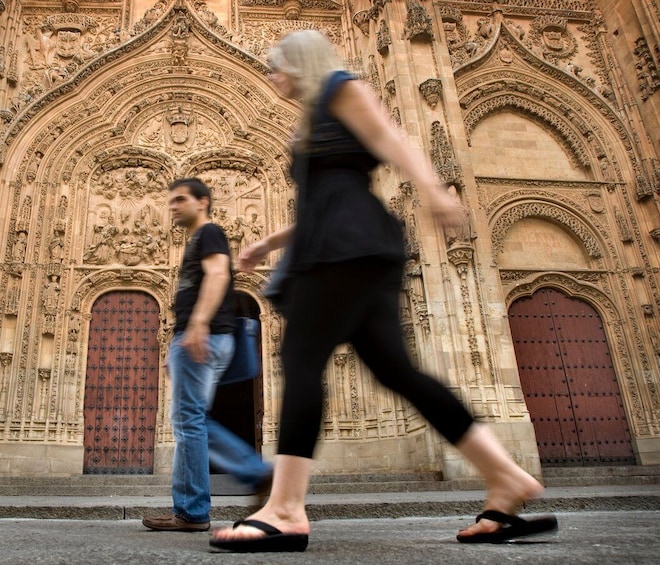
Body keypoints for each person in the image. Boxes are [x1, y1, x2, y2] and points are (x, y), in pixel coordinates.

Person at [209, 30, 557, 552]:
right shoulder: (318, 115)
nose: (270, 75)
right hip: (353, 244)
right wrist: (270, 241)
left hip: (346, 248)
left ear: (301, 63)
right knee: (397, 371)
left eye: (275, 65)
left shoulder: (342, 88)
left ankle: (284, 508)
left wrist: (435, 189)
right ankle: (507, 480)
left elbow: (395, 139)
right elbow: (328, 197)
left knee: (302, 362)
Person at [142, 178, 272, 532]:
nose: (173, 206)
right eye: (170, 200)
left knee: (189, 421)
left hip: (206, 335)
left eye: (180, 199)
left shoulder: (210, 232)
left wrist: (197, 324)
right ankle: (227, 487)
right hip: (199, 337)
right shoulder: (199, 239)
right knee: (192, 420)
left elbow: (217, 274)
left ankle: (197, 507)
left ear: (202, 202)